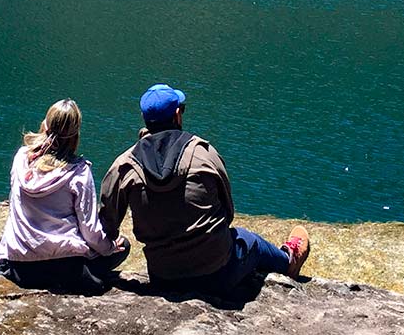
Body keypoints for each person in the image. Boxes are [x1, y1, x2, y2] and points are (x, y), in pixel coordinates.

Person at [99, 84, 310, 297]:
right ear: (177, 114)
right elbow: (227, 213)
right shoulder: (203, 154)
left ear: (145, 118)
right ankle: (289, 260)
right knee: (248, 240)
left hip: (163, 276)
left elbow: (108, 225)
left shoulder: (124, 166)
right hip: (217, 273)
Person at [0, 99, 130, 292]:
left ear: (45, 125)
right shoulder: (79, 171)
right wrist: (109, 246)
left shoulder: (21, 159)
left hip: (20, 265)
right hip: (66, 268)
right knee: (123, 245)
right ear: (75, 134)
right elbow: (89, 229)